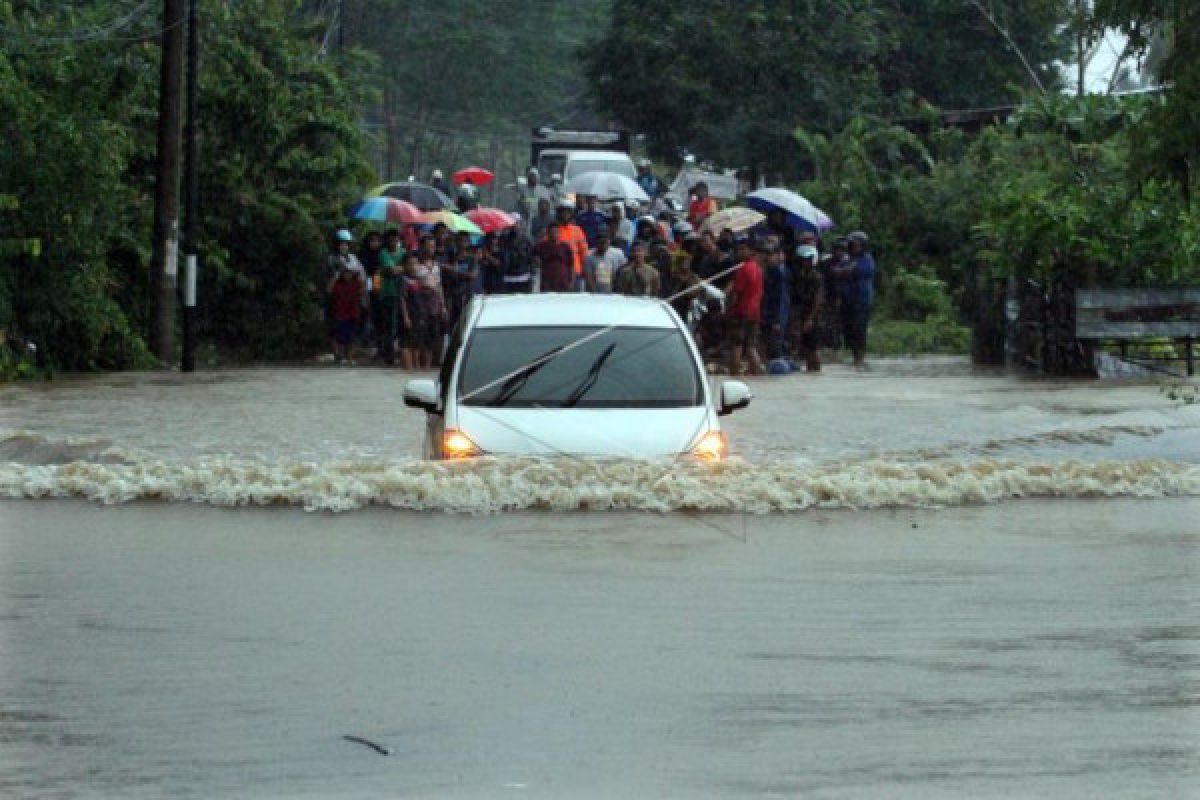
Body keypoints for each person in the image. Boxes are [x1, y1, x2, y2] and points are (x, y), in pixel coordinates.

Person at [832, 231, 876, 368]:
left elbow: (849, 272)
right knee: (848, 330)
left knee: (859, 329)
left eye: (856, 245)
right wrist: (845, 270)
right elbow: (836, 271)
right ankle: (855, 357)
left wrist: (846, 270)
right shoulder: (847, 259)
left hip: (861, 301)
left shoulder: (867, 260)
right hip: (847, 300)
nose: (853, 247)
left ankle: (860, 358)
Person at [724, 236, 766, 376]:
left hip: (741, 312)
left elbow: (736, 294)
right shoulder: (757, 268)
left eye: (743, 250)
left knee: (737, 346)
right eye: (738, 250)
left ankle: (734, 374)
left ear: (751, 251)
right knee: (750, 347)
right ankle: (758, 373)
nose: (739, 252)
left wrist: (728, 309)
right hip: (754, 312)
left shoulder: (743, 269)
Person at [789, 244, 824, 372]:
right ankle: (811, 372)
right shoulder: (800, 275)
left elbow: (817, 300)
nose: (805, 262)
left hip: (813, 316)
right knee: (807, 347)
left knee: (814, 347)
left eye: (808, 259)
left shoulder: (815, 276)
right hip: (803, 314)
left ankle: (816, 371)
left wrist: (810, 318)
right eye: (803, 260)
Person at [327, 262, 364, 365]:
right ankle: (340, 357)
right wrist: (335, 277)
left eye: (350, 273)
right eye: (346, 273)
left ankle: (350, 357)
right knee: (340, 336)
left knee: (352, 336)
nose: (348, 275)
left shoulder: (357, 282)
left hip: (354, 313)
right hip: (340, 313)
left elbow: (362, 292)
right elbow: (329, 290)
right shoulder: (338, 283)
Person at [760, 241, 791, 362]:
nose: (767, 257)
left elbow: (780, 299)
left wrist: (777, 321)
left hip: (777, 315)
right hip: (766, 313)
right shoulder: (767, 271)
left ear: (777, 255)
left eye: (770, 254)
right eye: (765, 254)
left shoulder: (779, 273)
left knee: (776, 348)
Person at [817, 237, 848, 350]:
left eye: (842, 250)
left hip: (844, 298)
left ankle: (837, 346)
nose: (839, 252)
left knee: (840, 324)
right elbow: (821, 281)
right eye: (837, 249)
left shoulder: (848, 263)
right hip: (828, 297)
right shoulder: (826, 263)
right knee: (827, 323)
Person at [554, 200, 589, 291]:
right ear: (559, 213)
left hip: (576, 271)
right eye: (563, 212)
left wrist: (585, 268)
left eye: (568, 212)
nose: (565, 215)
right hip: (558, 272)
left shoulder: (577, 230)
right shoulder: (553, 230)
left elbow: (584, 251)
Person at [532, 223, 575, 292]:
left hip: (563, 282)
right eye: (552, 232)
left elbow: (571, 266)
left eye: (556, 232)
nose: (554, 234)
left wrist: (571, 282)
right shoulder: (541, 246)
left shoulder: (566, 247)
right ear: (548, 234)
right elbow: (535, 259)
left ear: (559, 233)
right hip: (547, 282)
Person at [499, 227, 534, 293]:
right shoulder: (503, 241)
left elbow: (530, 258)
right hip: (508, 278)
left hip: (523, 277)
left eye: (517, 224)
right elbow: (503, 260)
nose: (515, 227)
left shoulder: (526, 241)